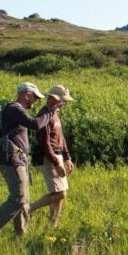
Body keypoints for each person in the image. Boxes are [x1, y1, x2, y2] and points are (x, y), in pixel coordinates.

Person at [0, 82, 59, 245]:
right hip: (11, 159)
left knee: (24, 200)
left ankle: (21, 236)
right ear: (27, 94)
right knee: (19, 199)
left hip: (17, 159)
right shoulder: (15, 109)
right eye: (35, 97)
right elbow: (35, 124)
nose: (35, 101)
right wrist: (51, 111)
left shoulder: (14, 110)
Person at [29, 85, 75, 227]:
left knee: (59, 194)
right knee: (60, 193)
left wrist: (67, 157)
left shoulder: (55, 113)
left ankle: (53, 226)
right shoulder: (44, 115)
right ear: (54, 99)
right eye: (63, 100)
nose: (65, 103)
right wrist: (56, 162)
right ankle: (28, 209)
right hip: (49, 158)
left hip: (58, 156)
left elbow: (61, 137)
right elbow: (45, 143)